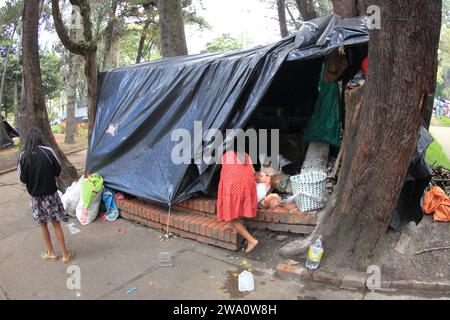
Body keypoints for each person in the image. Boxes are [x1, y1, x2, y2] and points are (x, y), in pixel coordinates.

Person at [17, 128, 75, 263]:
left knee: (43, 225)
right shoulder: (48, 151)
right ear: (40, 138)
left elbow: (22, 179)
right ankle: (65, 255)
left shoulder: (23, 156)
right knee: (56, 224)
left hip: (36, 199)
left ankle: (52, 253)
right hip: (52, 195)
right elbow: (58, 170)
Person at [217, 148, 259, 253]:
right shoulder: (245, 155)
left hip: (233, 188)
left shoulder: (225, 155)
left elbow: (224, 173)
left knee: (230, 218)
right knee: (236, 210)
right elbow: (253, 172)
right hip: (247, 188)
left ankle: (252, 241)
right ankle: (238, 224)